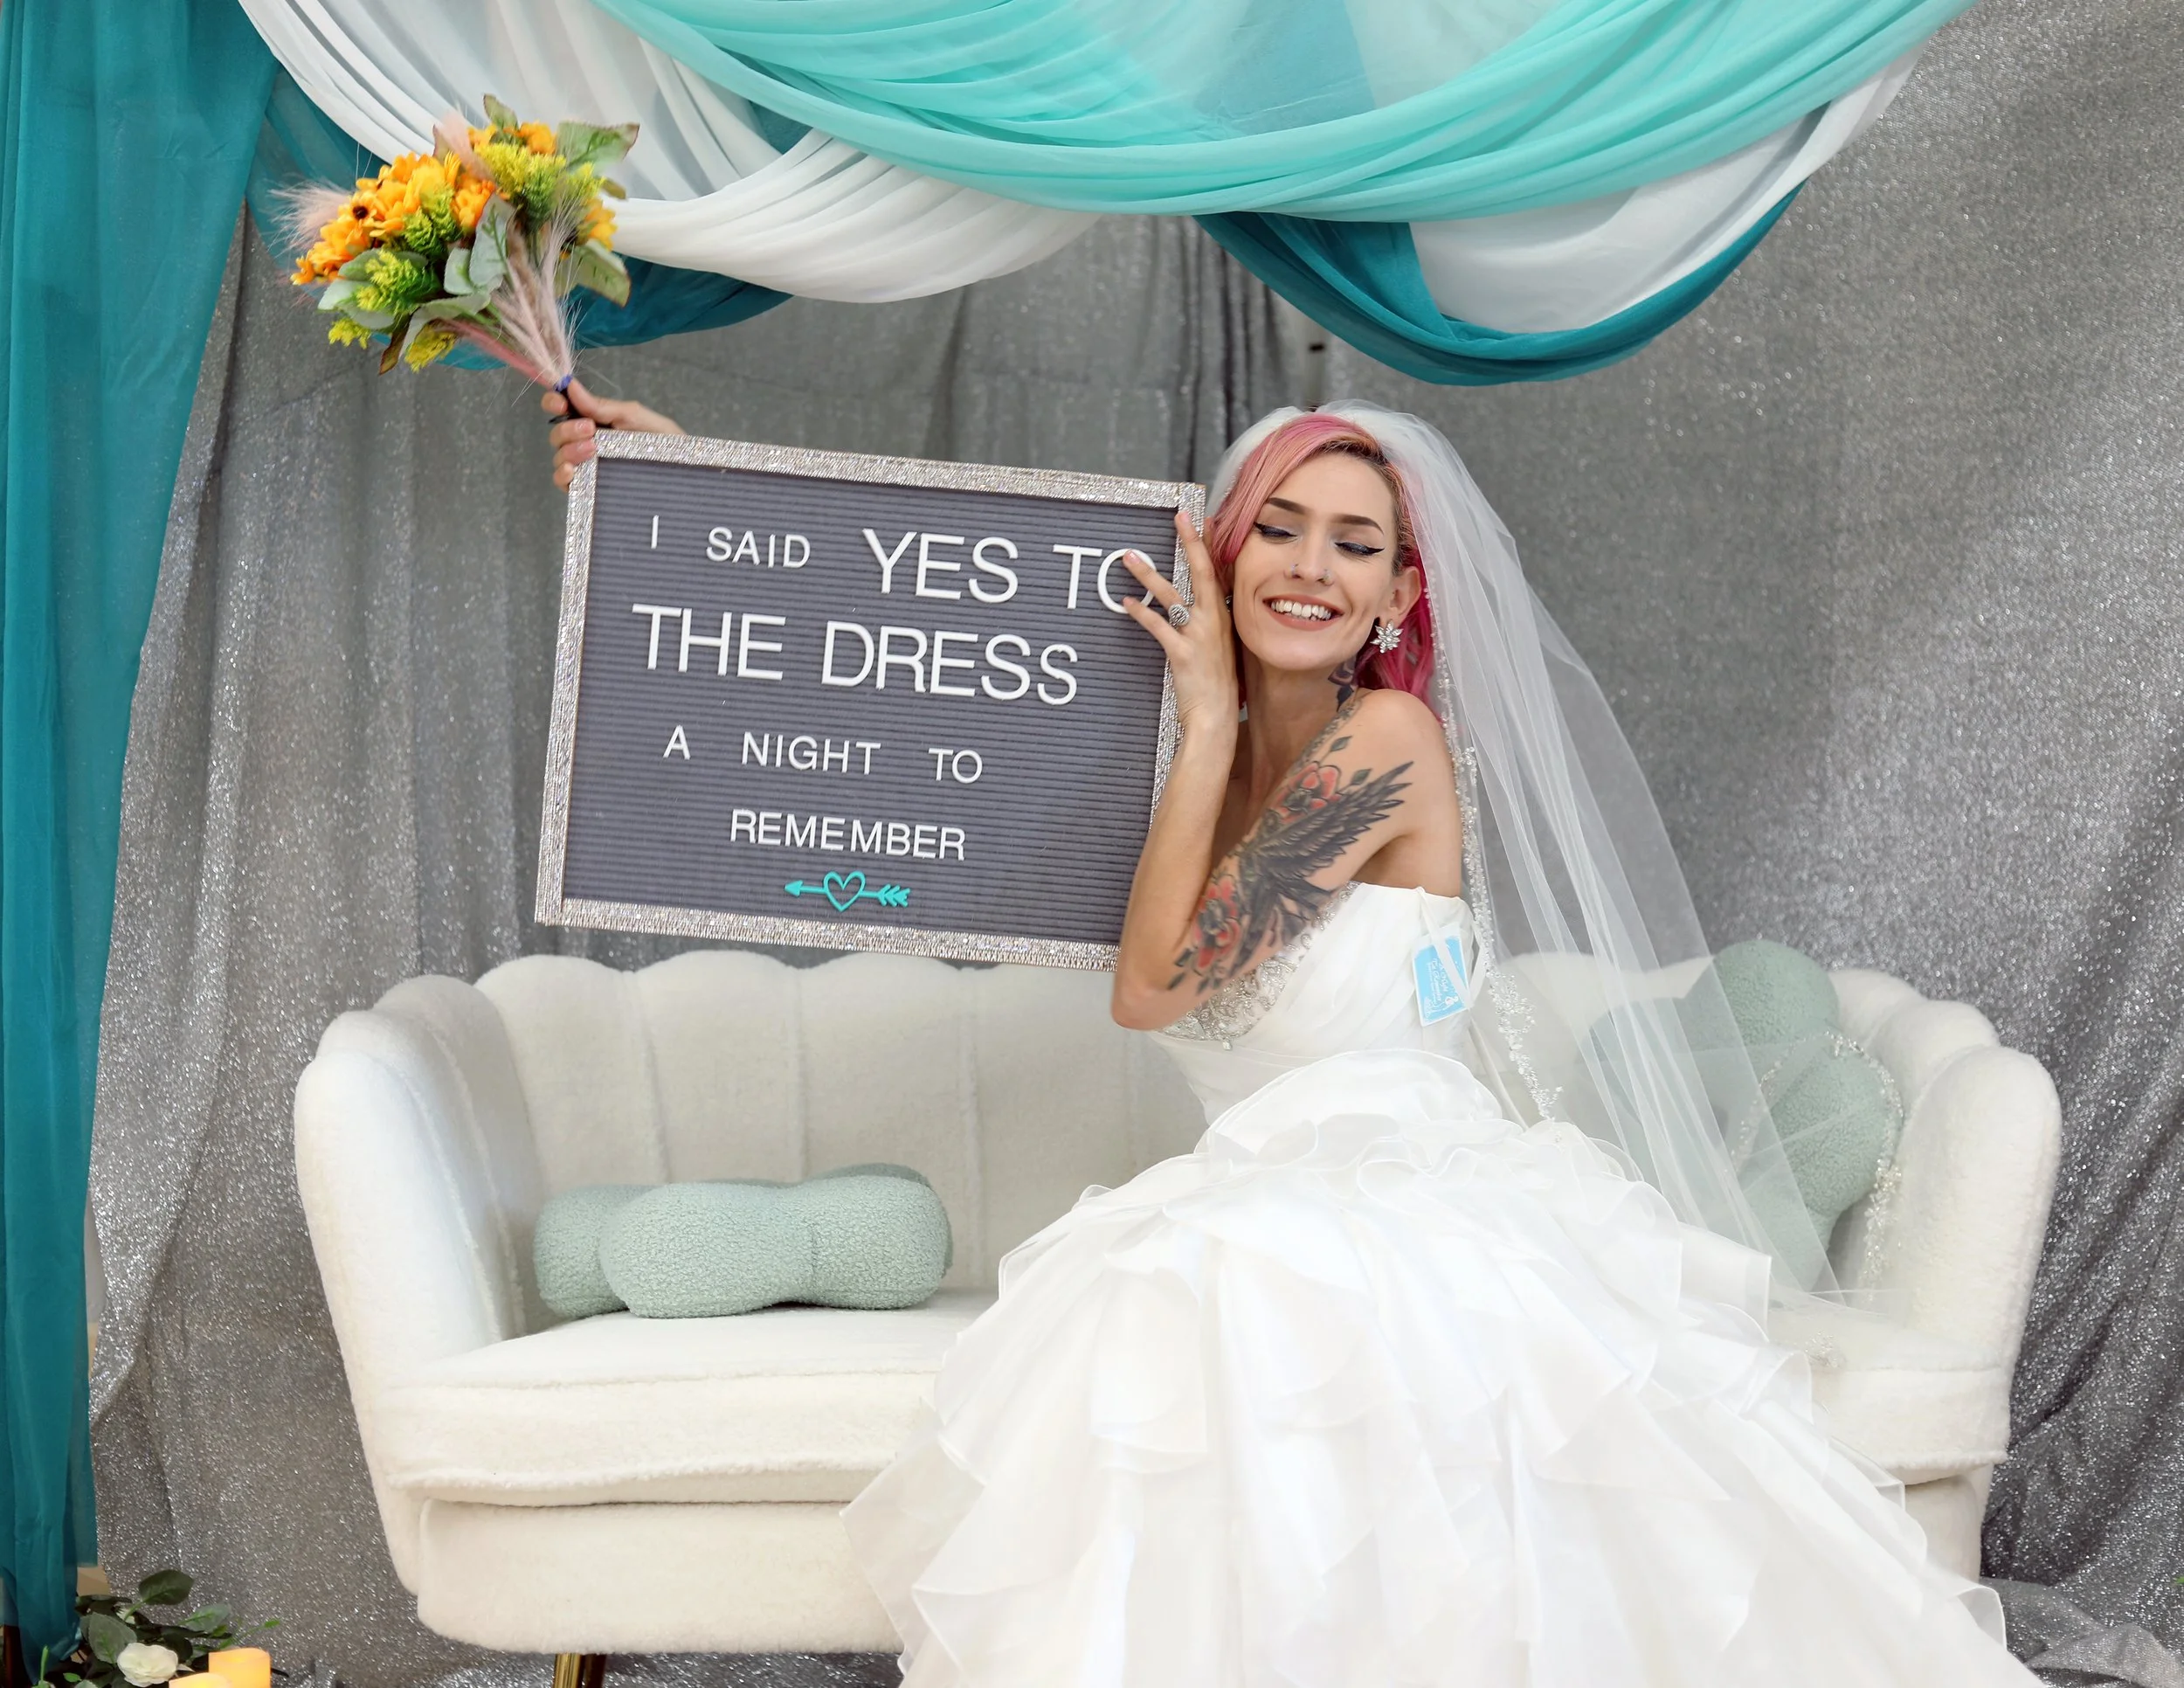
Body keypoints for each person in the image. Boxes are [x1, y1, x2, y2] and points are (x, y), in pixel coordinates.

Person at [547, 386, 2035, 1682]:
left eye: (1355, 543)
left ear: (1400, 593)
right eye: (1280, 526)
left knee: (1206, 1300)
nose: (1312, 565)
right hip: (1260, 1181)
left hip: (1403, 1185)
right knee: (1182, 1309)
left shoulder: (1388, 743)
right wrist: (678, 498)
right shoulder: (1151, 743)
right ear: (1222, 548)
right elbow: (901, 643)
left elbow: (1159, 985)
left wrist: (1205, 723)